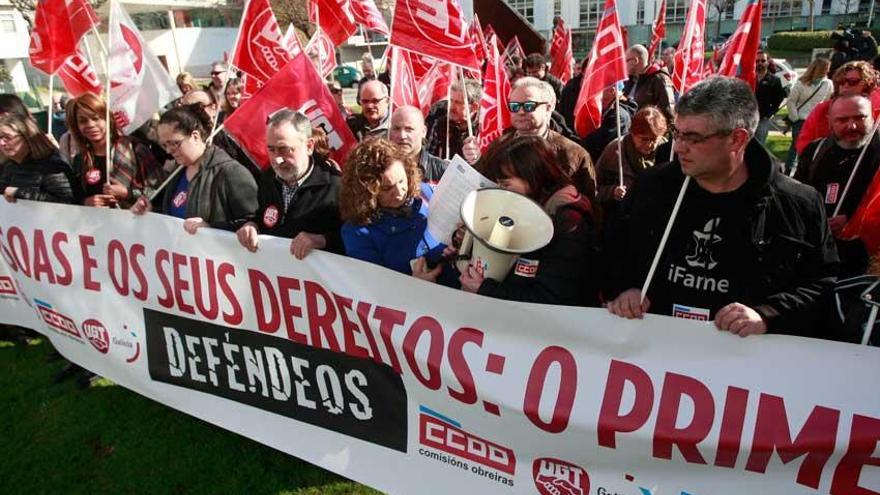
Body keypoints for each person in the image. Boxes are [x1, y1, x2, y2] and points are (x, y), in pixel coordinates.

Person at [605, 77, 838, 339]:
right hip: (655, 355)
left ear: (737, 139)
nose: (678, 147)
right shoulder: (652, 187)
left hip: (744, 365)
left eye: (693, 138)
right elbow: (613, 252)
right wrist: (626, 290)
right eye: (677, 133)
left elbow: (823, 285)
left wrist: (767, 314)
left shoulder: (797, 204)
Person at [459, 135, 598, 306]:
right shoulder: (526, 206)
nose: (501, 191)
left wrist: (486, 289)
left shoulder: (570, 222)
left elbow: (552, 297)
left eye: (505, 184)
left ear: (532, 176)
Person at [340, 138, 455, 285]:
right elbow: (371, 289)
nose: (399, 192)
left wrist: (457, 243)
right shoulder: (357, 232)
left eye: (402, 181)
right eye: (387, 189)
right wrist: (413, 285)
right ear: (366, 191)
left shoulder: (425, 193)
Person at [465, 77, 597, 201]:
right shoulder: (498, 146)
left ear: (549, 107)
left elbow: (588, 206)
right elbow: (480, 185)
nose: (521, 112)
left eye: (529, 106)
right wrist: (475, 161)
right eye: (515, 106)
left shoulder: (574, 155)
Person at [130, 104, 258, 232]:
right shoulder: (178, 171)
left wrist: (210, 228)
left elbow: (252, 225)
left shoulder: (232, 173)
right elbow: (174, 214)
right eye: (164, 145)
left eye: (174, 143)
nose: (168, 151)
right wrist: (151, 210)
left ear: (195, 136)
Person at [233, 109, 342, 259]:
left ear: (309, 146)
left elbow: (355, 239)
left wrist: (322, 240)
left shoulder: (336, 186)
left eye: (285, 150)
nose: (278, 159)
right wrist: (252, 225)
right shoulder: (268, 177)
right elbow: (262, 216)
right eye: (271, 150)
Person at [795, 95, 878, 277]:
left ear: (872, 116)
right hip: (817, 250)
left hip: (865, 260)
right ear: (830, 121)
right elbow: (796, 196)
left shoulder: (876, 154)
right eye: (842, 120)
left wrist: (854, 222)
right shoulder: (816, 151)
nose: (852, 126)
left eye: (859, 118)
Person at [65, 93, 167, 209]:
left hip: (134, 223)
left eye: (96, 118)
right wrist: (85, 202)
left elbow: (162, 191)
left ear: (107, 119)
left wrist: (128, 193)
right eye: (83, 121)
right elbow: (73, 197)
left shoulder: (134, 148)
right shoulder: (80, 159)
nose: (90, 125)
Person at [796, 61, 880, 154]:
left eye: (852, 82)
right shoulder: (822, 110)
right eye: (841, 82)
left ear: (868, 83)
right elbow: (804, 145)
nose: (845, 85)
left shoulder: (877, 111)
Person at [595, 106, 668, 212]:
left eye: (654, 139)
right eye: (644, 139)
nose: (649, 144)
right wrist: (611, 192)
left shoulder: (666, 151)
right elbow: (592, 188)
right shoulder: (616, 149)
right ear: (632, 134)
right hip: (620, 214)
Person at [180, 89, 260, 180]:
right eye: (184, 109)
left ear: (213, 108)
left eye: (196, 108)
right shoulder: (183, 142)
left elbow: (251, 171)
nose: (189, 114)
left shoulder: (229, 135)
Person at [0, 112, 73, 204]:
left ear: (27, 136)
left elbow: (66, 201)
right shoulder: (9, 166)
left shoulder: (53, 165)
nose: (2, 143)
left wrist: (21, 193)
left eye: (7, 138)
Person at [784, 57, 833, 175]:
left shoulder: (828, 83)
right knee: (796, 147)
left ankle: (804, 171)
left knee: (812, 147)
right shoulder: (801, 83)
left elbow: (826, 102)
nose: (827, 71)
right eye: (826, 68)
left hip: (816, 120)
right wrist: (795, 118)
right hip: (801, 120)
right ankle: (788, 170)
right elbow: (791, 101)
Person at [389, 105, 447, 184]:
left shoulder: (442, 171)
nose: (402, 136)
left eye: (409, 129)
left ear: (423, 132)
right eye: (396, 129)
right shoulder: (380, 168)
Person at [424, 79, 480, 160]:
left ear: (474, 107)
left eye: (458, 103)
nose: (452, 106)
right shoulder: (441, 123)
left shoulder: (482, 131)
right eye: (451, 100)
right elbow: (427, 157)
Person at [581, 87, 638, 162]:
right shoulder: (599, 108)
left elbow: (598, 141)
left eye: (601, 88)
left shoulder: (619, 116)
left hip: (611, 161)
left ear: (612, 91)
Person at [623, 44, 675, 123]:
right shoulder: (629, 79)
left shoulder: (659, 78)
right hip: (628, 127)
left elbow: (668, 111)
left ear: (635, 61)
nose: (623, 65)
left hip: (648, 131)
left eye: (626, 61)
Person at [754, 51, 788, 144]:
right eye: (757, 61)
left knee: (759, 144)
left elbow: (779, 99)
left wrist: (770, 113)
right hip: (748, 117)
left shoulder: (775, 80)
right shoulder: (750, 78)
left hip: (763, 118)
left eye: (763, 60)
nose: (760, 63)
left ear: (767, 62)